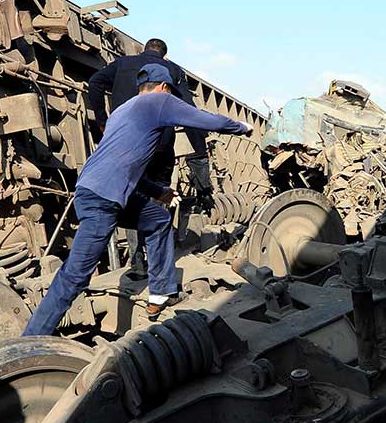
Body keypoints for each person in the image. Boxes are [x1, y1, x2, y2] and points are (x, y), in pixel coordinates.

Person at [24, 64, 251, 334]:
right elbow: (205, 120)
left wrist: (158, 191)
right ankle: (30, 340)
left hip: (93, 190)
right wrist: (241, 127)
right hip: (102, 200)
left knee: (158, 219)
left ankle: (161, 293)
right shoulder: (159, 101)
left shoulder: (123, 110)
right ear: (164, 87)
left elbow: (122, 164)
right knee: (74, 276)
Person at [87, 38, 214, 276]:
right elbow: (188, 109)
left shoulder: (122, 63)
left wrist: (102, 121)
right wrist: (199, 151)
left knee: (130, 196)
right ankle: (157, 262)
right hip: (160, 144)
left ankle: (137, 263)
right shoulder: (172, 70)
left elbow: (94, 83)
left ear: (142, 50)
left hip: (127, 146)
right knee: (161, 197)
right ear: (164, 55)